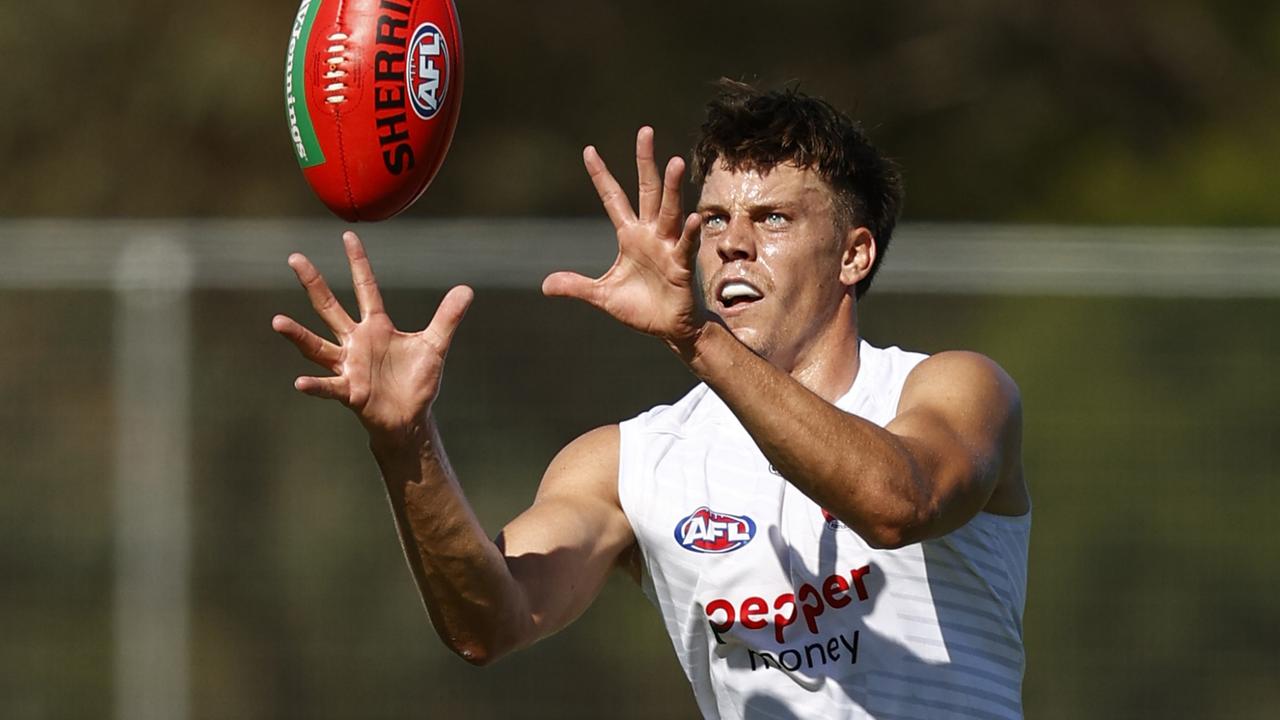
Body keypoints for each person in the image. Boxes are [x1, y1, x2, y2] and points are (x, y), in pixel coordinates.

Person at [272, 80, 1031, 719]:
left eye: (773, 218)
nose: (733, 243)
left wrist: (698, 338)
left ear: (854, 255)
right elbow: (490, 621)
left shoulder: (953, 388)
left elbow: (897, 503)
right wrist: (406, 444)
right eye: (715, 221)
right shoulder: (632, 462)